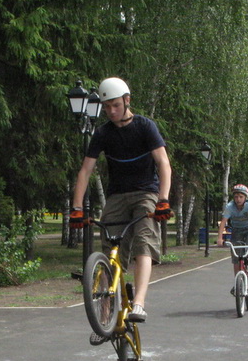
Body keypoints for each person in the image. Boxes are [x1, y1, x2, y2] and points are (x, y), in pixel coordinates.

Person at [71, 77, 172, 324]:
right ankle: (105, 314)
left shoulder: (145, 126)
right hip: (117, 196)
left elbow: (163, 163)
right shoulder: (103, 133)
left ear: (127, 101)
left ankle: (139, 303)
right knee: (109, 249)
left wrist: (163, 200)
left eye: (115, 105)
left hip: (146, 193)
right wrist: (76, 208)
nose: (111, 111)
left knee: (144, 242)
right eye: (106, 107)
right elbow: (85, 171)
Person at [216, 183, 248, 291]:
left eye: (241, 197)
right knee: (236, 255)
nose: (238, 199)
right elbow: (223, 222)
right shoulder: (230, 206)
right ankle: (237, 282)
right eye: (236, 197)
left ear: (245, 197)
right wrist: (220, 238)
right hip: (236, 231)